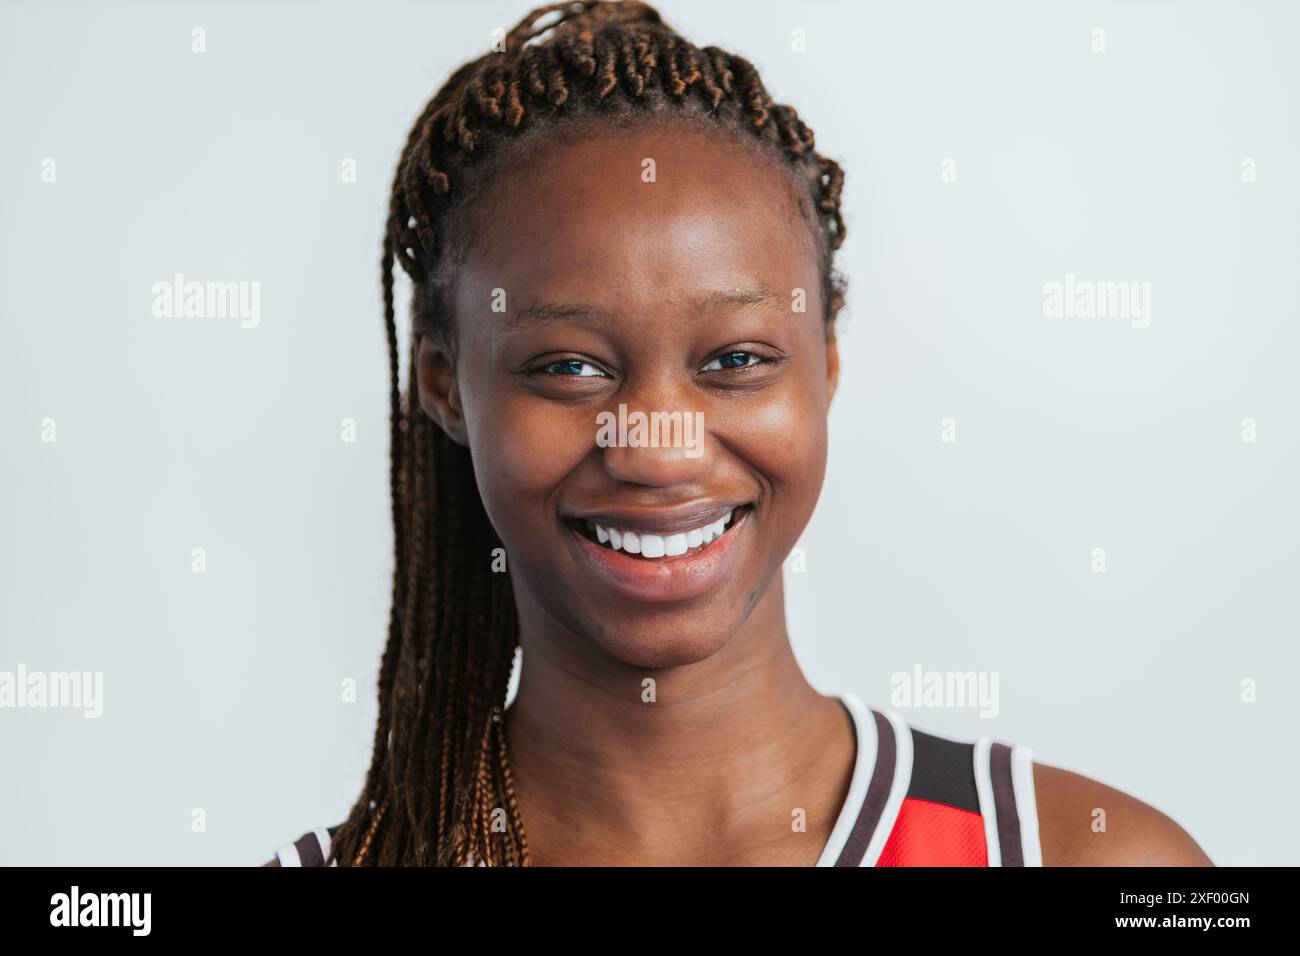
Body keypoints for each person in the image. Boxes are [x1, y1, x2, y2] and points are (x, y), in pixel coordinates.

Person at [266, 0, 1211, 867]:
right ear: (445, 388)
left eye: (736, 361)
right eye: (568, 367)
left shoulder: (1102, 863)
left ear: (826, 362)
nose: (659, 445)